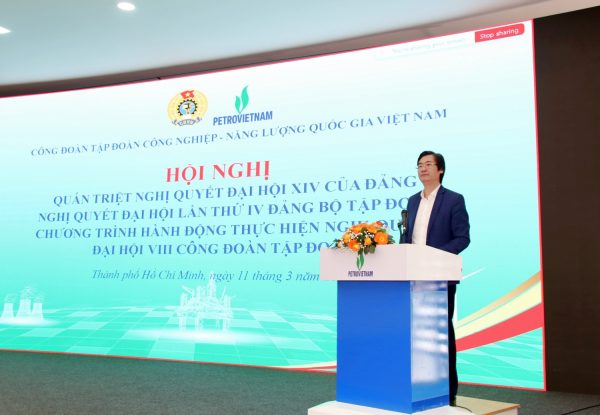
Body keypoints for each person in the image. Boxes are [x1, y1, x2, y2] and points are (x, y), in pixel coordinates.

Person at [404, 150, 470, 406]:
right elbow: (409, 238)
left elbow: (462, 238)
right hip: (413, 278)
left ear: (440, 169)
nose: (423, 168)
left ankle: (448, 389)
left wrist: (434, 257)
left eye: (428, 164)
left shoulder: (453, 199)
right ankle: (420, 384)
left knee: (440, 333)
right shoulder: (412, 201)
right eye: (419, 165)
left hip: (440, 277)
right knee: (415, 333)